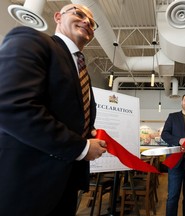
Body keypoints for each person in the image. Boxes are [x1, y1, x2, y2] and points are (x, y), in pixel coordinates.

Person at [0, 4, 107, 216]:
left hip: (65, 183)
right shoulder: (31, 40)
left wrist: (89, 131)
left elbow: (68, 115)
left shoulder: (81, 68)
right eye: (78, 13)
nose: (87, 21)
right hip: (27, 183)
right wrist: (81, 146)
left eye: (92, 23)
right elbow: (12, 105)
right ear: (58, 17)